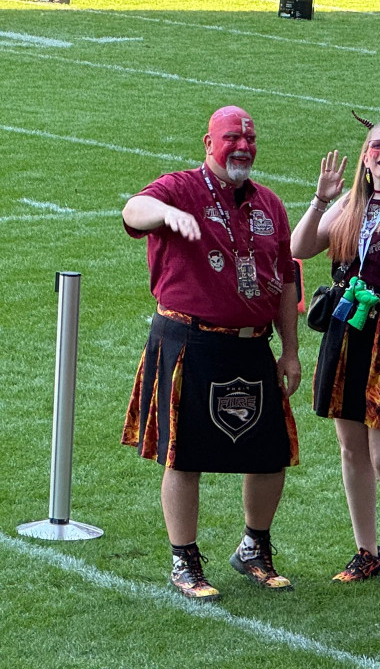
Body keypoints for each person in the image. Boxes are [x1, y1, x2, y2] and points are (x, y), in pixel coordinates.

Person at [121, 106, 301, 601]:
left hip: (253, 344)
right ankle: (184, 559)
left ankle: (254, 548)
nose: (242, 147)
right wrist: (166, 214)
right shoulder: (180, 188)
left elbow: (286, 280)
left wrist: (290, 351)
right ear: (208, 143)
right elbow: (133, 210)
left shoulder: (270, 203)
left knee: (269, 455)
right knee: (184, 456)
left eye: (250, 138)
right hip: (190, 339)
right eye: (231, 138)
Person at [290, 114, 380, 586]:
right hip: (347, 333)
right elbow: (299, 247)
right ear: (365, 157)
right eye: (377, 146)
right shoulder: (349, 204)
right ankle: (366, 551)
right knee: (351, 450)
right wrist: (320, 200)